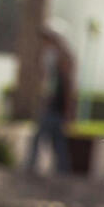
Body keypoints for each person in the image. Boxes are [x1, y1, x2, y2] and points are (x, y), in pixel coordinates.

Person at [24, 30, 77, 178]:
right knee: (56, 142)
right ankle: (62, 171)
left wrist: (68, 110)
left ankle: (35, 167)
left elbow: (67, 88)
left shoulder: (62, 60)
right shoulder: (52, 59)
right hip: (52, 106)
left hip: (56, 108)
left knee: (46, 139)